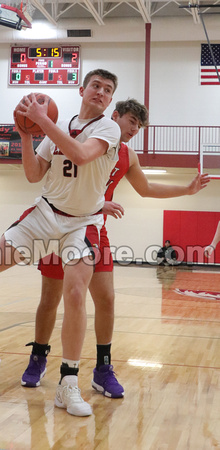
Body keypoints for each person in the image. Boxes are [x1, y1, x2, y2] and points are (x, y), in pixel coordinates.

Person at [0, 68, 121, 417]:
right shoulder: (56, 129)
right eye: (95, 85)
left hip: (83, 222)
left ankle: (68, 383)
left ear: (110, 100)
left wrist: (40, 119)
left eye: (107, 89)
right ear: (82, 90)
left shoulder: (107, 129)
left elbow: (82, 155)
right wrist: (25, 133)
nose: (100, 92)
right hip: (46, 212)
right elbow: (34, 173)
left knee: (77, 293)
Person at [20, 98, 210, 397]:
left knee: (106, 299)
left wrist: (187, 189)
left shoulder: (127, 155)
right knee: (50, 298)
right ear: (115, 116)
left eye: (139, 125)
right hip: (59, 224)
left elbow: (146, 189)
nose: (134, 128)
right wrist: (96, 202)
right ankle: (39, 357)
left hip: (94, 231)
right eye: (131, 121)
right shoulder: (80, 138)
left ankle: (103, 368)